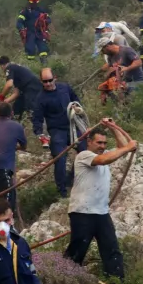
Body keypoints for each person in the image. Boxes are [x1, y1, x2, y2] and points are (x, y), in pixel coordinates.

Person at [64, 121, 137, 280]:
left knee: (112, 250)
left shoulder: (104, 155)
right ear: (89, 142)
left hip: (101, 213)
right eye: (99, 142)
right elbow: (107, 158)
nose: (102, 146)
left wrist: (113, 127)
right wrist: (128, 146)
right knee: (77, 251)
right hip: (82, 213)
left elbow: (122, 148)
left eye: (105, 143)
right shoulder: (84, 156)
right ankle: (62, 283)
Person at [32, 68, 84, 197]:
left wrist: (77, 107)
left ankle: (72, 179)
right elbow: (37, 118)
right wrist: (39, 133)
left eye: (50, 80)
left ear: (55, 78)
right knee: (60, 159)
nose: (48, 83)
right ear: (41, 81)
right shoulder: (40, 98)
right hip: (57, 131)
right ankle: (62, 192)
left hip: (73, 125)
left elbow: (75, 98)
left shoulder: (65, 87)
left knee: (85, 152)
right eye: (45, 81)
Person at [0, 102, 28, 216]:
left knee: (2, 198)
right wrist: (15, 147)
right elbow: (24, 146)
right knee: (8, 202)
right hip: (2, 168)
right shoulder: (16, 126)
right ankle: (6, 228)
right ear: (12, 113)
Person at [0, 56, 43, 129]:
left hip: (33, 87)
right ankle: (15, 128)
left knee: (31, 110)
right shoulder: (16, 70)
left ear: (2, 65)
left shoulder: (9, 67)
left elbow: (9, 85)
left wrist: (1, 97)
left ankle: (41, 131)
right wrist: (5, 102)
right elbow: (16, 93)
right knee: (17, 108)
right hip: (26, 89)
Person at [16, 0, 51, 64]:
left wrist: (44, 21)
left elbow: (49, 19)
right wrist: (21, 29)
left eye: (35, 3)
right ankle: (31, 65)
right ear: (29, 2)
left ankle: (44, 64)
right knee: (30, 50)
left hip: (40, 32)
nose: (34, 4)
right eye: (33, 2)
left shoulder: (41, 10)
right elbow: (19, 22)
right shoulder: (25, 12)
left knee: (43, 49)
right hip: (30, 33)